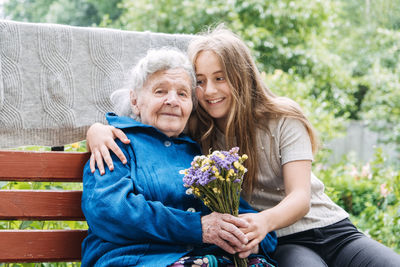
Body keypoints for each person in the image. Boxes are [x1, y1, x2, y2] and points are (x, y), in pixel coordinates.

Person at [86, 27, 400, 266]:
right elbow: (113, 205)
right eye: (202, 82)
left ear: (241, 77)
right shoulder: (182, 136)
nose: (208, 91)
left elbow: (291, 200)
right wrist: (98, 129)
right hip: (277, 243)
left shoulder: (264, 123)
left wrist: (252, 232)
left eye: (184, 92)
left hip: (323, 228)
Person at [81, 47, 277, 267]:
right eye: (160, 91)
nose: (172, 100)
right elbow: (109, 211)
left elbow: (239, 211)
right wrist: (197, 227)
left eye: (182, 94)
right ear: (135, 100)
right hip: (136, 259)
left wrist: (253, 238)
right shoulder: (116, 144)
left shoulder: (199, 154)